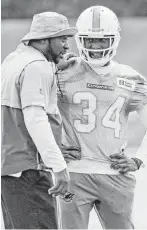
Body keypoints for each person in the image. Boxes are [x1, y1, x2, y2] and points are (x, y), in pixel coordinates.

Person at [56, 6, 147, 229]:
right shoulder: (62, 71)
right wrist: (53, 147)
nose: (95, 47)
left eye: (102, 41)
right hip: (74, 174)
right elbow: (35, 113)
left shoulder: (130, 78)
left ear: (114, 40)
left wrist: (138, 159)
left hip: (114, 174)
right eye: (89, 41)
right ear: (80, 41)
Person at [1, 11, 78, 229]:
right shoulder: (38, 67)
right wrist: (59, 166)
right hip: (30, 170)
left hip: (10, 169)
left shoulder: (14, 59)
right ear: (44, 39)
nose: (66, 46)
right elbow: (36, 119)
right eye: (62, 39)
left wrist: (54, 68)